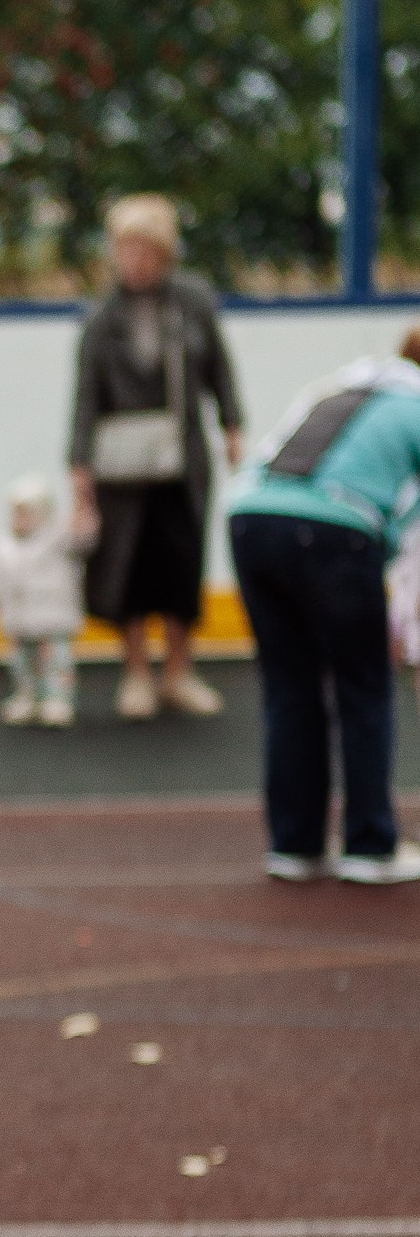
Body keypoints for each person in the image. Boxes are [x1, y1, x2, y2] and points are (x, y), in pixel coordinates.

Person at [226, 331, 420, 884]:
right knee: (363, 687)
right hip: (335, 529)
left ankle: (294, 844)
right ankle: (369, 844)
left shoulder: (338, 387)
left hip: (249, 520)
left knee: (290, 688)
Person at [68, 193, 244, 720]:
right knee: (128, 565)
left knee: (182, 561)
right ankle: (137, 672)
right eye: (126, 249)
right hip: (123, 464)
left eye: (146, 250)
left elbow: (220, 369)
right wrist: (81, 473)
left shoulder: (193, 301)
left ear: (167, 253)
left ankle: (178, 671)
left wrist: (232, 425)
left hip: (184, 457)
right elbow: (84, 401)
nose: (135, 260)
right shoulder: (99, 318)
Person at [0, 472, 83, 728]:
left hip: (51, 617)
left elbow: (81, 539)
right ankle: (28, 695)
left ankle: (57, 698)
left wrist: (81, 506)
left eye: (26, 513)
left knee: (54, 662)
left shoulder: (57, 540)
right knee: (21, 662)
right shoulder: (3, 545)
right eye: (16, 513)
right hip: (19, 619)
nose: (19, 519)